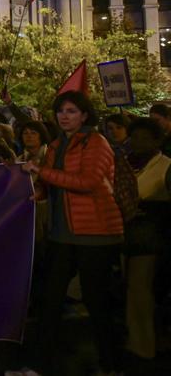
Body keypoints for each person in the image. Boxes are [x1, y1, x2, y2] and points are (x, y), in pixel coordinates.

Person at [21, 91, 124, 376]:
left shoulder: (97, 143)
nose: (64, 116)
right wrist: (38, 192)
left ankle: (111, 365)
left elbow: (88, 182)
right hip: (61, 234)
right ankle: (39, 365)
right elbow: (53, 184)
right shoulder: (56, 145)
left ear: (85, 115)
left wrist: (42, 172)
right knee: (50, 301)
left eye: (71, 111)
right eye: (60, 111)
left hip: (96, 233)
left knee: (97, 301)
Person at [123, 117, 170, 362]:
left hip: (151, 239)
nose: (138, 141)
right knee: (130, 290)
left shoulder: (166, 166)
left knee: (141, 292)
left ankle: (143, 347)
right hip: (122, 238)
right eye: (135, 136)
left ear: (157, 140)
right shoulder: (123, 163)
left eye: (144, 137)